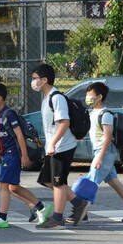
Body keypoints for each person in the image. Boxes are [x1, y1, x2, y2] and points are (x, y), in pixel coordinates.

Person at [0, 83, 51, 229]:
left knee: (4, 186)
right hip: (5, 155)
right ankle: (41, 207)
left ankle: (2, 218)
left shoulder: (8, 114)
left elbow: (19, 135)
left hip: (13, 155)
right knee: (13, 188)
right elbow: (2, 137)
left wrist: (24, 156)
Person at [31, 64, 89, 230]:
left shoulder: (56, 97)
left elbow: (64, 123)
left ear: (44, 80)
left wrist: (53, 143)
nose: (33, 82)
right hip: (54, 147)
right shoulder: (47, 97)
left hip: (62, 146)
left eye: (35, 78)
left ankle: (57, 217)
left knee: (58, 182)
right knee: (47, 180)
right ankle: (79, 203)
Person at [76, 82, 123, 223]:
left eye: (90, 95)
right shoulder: (93, 113)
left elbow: (108, 138)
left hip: (104, 151)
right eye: (87, 95)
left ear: (99, 97)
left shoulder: (105, 114)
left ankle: (80, 211)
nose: (87, 98)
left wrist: (100, 157)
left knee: (90, 182)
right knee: (113, 181)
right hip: (101, 151)